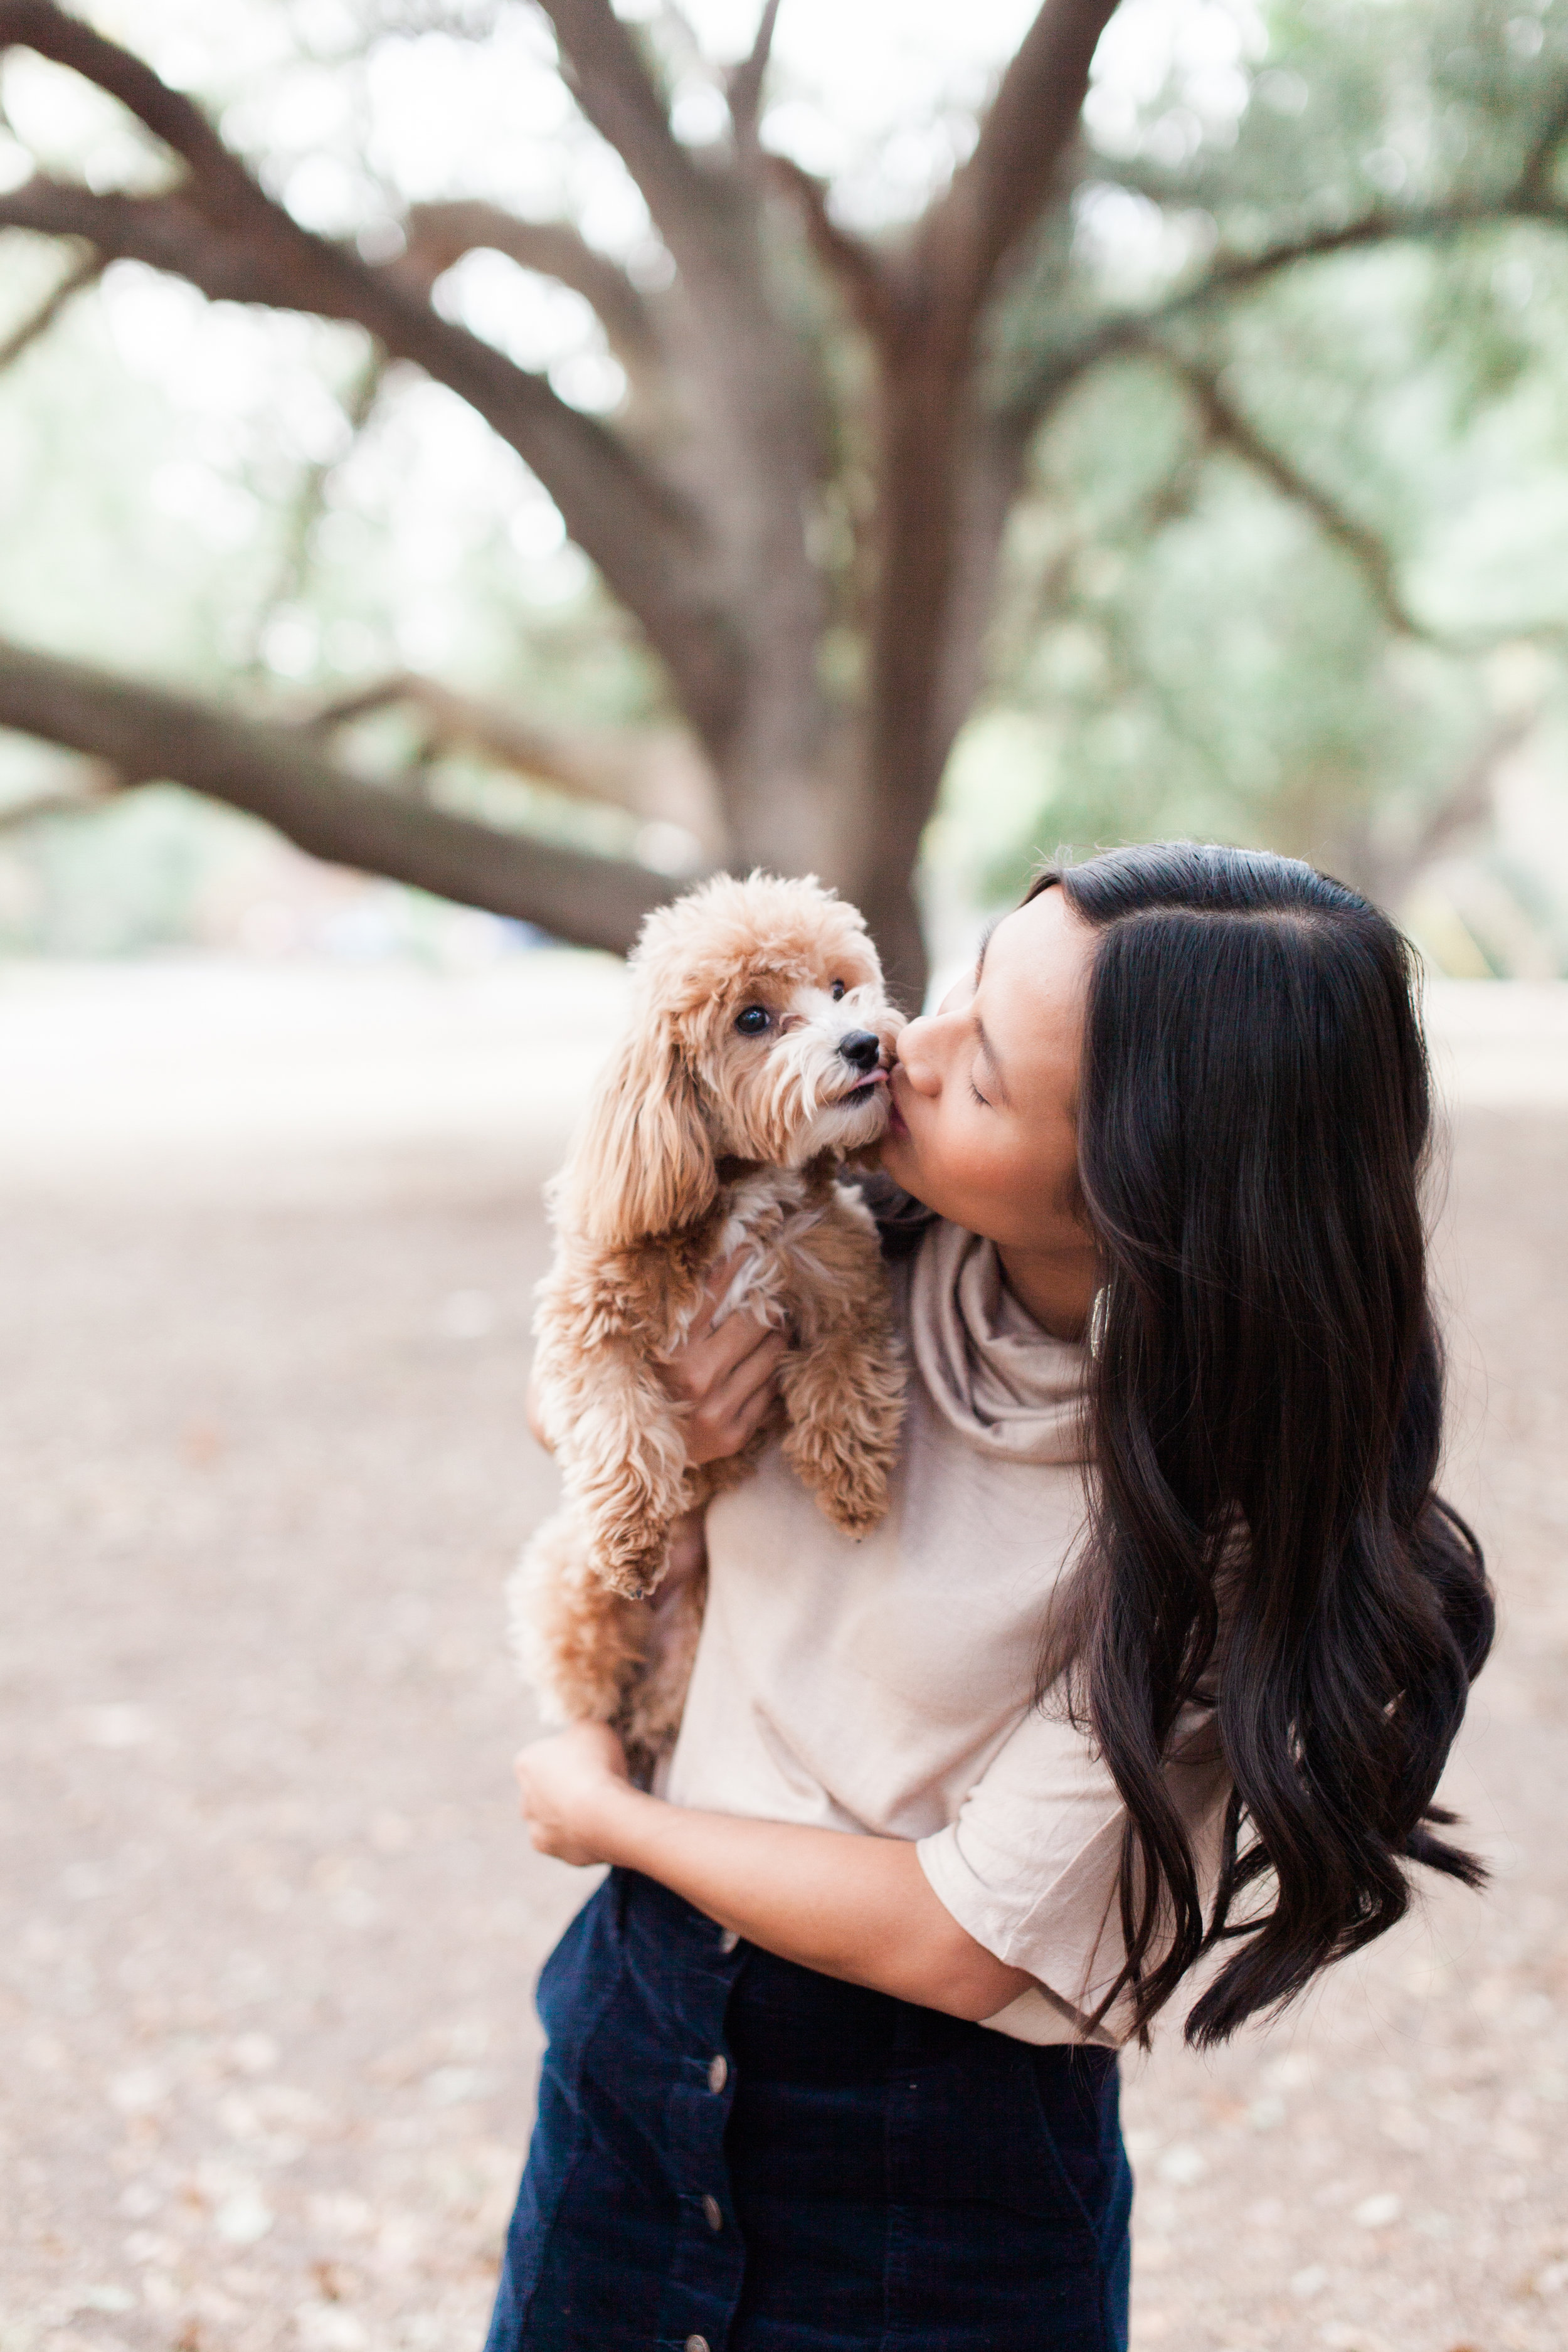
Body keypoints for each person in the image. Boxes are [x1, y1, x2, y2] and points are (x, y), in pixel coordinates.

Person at [484, 843, 1494, 2352]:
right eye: (948, 988)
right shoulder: (839, 1229)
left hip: (929, 2164)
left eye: (987, 1076)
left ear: (1148, 1187)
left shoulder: (1216, 1520)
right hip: (634, 2044)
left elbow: (964, 1940)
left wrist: (604, 1815)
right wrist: (643, 1429)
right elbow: (583, 1365)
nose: (902, 1044)